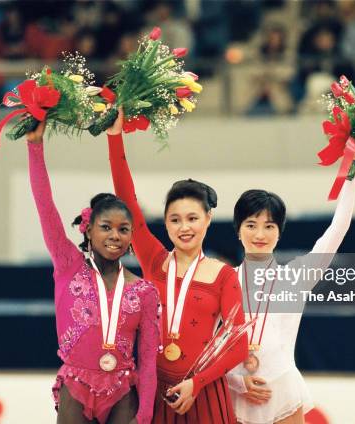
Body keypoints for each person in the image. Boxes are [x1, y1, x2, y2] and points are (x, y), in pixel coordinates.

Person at [106, 109, 248, 423]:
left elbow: (239, 345)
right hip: (151, 391)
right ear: (166, 224)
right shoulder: (154, 260)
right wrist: (114, 138)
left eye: (193, 218)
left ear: (208, 220)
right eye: (175, 219)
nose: (185, 227)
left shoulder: (223, 276)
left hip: (203, 393)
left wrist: (196, 384)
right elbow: (126, 200)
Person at [26, 121, 159, 424]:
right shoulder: (68, 266)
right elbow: (45, 207)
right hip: (77, 384)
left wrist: (146, 413)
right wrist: (35, 147)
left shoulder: (144, 292)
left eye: (123, 229)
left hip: (123, 390)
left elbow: (149, 359)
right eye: (106, 227)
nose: (115, 236)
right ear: (88, 231)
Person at [226, 147, 355, 424]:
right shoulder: (222, 280)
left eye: (269, 226)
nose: (260, 234)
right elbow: (209, 346)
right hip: (236, 392)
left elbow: (338, 228)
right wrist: (237, 382)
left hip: (282, 391)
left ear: (279, 233)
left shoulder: (296, 276)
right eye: (251, 225)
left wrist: (354, 174)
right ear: (238, 229)